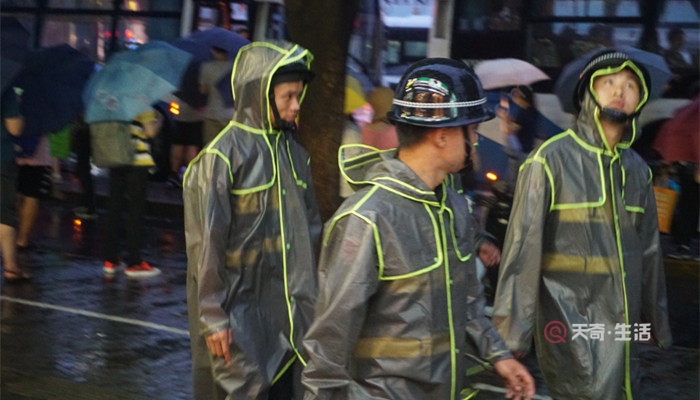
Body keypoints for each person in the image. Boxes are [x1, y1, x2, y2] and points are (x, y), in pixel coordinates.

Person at [301, 58, 535, 400]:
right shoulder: (368, 219)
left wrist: (498, 356)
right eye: (471, 130)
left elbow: (468, 301)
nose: (477, 140)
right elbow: (327, 349)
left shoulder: (453, 205)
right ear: (442, 136)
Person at [492, 49, 673, 399]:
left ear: (640, 101)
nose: (620, 91)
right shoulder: (549, 161)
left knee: (623, 389)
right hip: (569, 324)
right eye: (608, 83)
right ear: (589, 93)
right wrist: (511, 336)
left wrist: (653, 320)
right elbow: (522, 251)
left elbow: (649, 251)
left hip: (622, 329)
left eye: (631, 86)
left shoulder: (637, 170)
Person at [183, 41, 321, 400]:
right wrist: (214, 318)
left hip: (293, 319)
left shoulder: (294, 152)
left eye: (299, 96)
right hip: (241, 322)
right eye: (287, 96)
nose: (296, 106)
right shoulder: (221, 160)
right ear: (258, 94)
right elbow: (206, 246)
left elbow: (310, 234)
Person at [103, 108, 162, 278]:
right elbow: (150, 132)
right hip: (137, 161)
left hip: (116, 157)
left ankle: (111, 259)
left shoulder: (113, 97)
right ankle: (134, 262)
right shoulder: (140, 99)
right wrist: (158, 120)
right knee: (135, 211)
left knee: (114, 208)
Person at [1, 88, 29, 281]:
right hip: (1, 157)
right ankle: (11, 267)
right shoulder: (5, 87)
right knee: (3, 211)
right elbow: (14, 128)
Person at [199, 46, 235, 146]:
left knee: (210, 147)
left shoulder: (207, 67)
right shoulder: (236, 66)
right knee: (228, 148)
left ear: (214, 51)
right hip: (231, 116)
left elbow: (203, 91)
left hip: (213, 114)